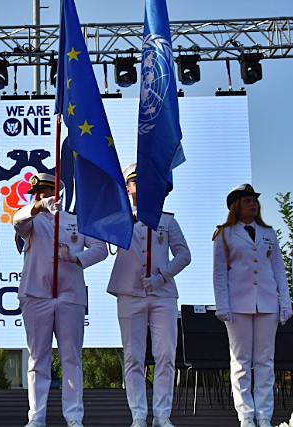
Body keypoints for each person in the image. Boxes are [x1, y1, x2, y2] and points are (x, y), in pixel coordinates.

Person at [13, 172, 108, 427]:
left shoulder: (77, 220)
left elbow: (100, 249)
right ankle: (36, 417)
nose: (38, 195)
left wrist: (75, 258)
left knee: (71, 358)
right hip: (36, 294)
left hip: (70, 295)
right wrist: (38, 207)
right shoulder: (31, 219)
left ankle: (74, 416)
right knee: (38, 359)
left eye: (43, 191)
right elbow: (17, 221)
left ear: (56, 193)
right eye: (34, 193)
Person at [107, 163, 191, 427]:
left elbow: (184, 255)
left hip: (162, 293)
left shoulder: (166, 220)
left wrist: (162, 275)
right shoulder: (119, 219)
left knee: (165, 354)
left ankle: (162, 414)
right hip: (129, 292)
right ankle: (138, 415)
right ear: (127, 188)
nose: (140, 187)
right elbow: (102, 240)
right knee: (133, 356)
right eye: (134, 182)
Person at [213, 184, 293, 427]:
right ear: (236, 206)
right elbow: (219, 273)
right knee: (240, 361)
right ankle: (246, 415)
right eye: (247, 200)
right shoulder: (225, 234)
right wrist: (222, 305)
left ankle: (264, 415)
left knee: (265, 361)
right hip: (237, 304)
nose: (253, 204)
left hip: (267, 303)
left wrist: (285, 302)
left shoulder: (268, 233)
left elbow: (278, 270)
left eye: (254, 200)